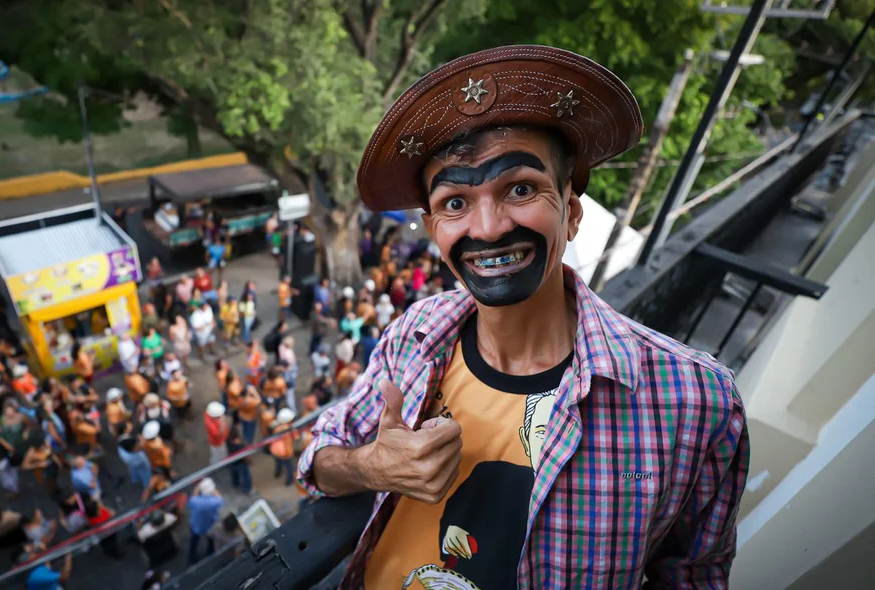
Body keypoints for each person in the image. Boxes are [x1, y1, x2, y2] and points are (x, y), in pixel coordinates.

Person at [297, 46, 749, 589]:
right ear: (434, 226)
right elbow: (318, 458)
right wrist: (372, 466)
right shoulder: (413, 338)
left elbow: (693, 576)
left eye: (519, 188)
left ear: (572, 211)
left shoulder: (695, 403)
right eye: (455, 203)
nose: (487, 228)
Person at [187, 478, 223, 564]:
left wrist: (197, 487)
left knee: (194, 541)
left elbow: (193, 496)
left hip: (196, 525)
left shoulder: (195, 501)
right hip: (210, 525)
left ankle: (192, 557)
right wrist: (213, 489)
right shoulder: (216, 501)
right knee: (211, 540)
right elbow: (220, 497)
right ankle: (210, 553)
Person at [269, 408, 297, 486]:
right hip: (287, 452)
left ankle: (277, 473)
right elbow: (296, 437)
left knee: (278, 463)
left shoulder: (275, 427)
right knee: (290, 467)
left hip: (276, 450)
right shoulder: (289, 429)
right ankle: (289, 481)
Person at [226, 422, 252, 494]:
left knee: (234, 473)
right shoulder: (239, 445)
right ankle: (247, 489)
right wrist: (248, 460)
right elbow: (245, 456)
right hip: (241, 462)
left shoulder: (228, 440)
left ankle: (235, 483)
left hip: (232, 461)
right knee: (246, 476)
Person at [204, 401, 228, 465]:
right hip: (217, 442)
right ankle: (216, 465)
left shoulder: (208, 414)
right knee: (217, 455)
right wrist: (222, 423)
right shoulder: (211, 426)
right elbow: (219, 434)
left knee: (221, 453)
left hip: (218, 440)